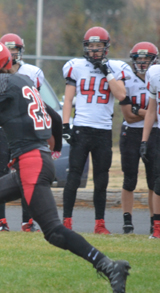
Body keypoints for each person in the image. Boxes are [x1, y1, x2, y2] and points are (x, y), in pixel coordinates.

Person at [0, 39, 130, 292]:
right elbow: (54, 117)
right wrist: (53, 151)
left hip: (31, 162)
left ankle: (110, 266)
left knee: (54, 232)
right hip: (33, 161)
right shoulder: (22, 81)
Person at [0, 33, 58, 232]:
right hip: (1, 131)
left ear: (21, 50)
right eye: (7, 49)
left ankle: (28, 221)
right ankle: (1, 222)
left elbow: (37, 105)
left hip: (24, 132)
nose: (11, 53)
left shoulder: (32, 72)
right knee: (0, 176)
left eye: (14, 49)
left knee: (27, 176)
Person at [62, 26, 129, 234]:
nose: (94, 50)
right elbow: (68, 98)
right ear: (85, 47)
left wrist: (106, 71)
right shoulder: (76, 66)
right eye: (90, 46)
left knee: (102, 179)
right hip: (82, 128)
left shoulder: (115, 68)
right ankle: (66, 222)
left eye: (98, 46)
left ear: (105, 48)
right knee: (73, 176)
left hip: (103, 131)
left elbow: (121, 96)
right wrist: (66, 125)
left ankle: (99, 224)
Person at [119, 42, 159, 234]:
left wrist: (139, 110)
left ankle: (154, 221)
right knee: (129, 179)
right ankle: (127, 222)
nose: (142, 63)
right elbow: (128, 115)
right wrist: (149, 112)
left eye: (146, 59)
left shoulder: (156, 78)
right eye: (139, 59)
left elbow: (154, 114)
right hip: (131, 133)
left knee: (153, 180)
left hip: (154, 133)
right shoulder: (126, 79)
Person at [141, 58, 160, 239]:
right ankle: (157, 229)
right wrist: (144, 141)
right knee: (158, 184)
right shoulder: (155, 75)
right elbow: (151, 111)